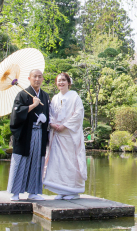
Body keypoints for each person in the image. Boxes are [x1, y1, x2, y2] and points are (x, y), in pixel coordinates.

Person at [42, 72, 87, 200]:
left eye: (63, 80)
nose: (61, 82)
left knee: (71, 161)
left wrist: (65, 125)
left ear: (69, 82)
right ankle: (61, 189)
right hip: (56, 134)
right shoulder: (55, 98)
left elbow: (78, 114)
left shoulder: (75, 96)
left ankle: (73, 190)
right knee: (58, 162)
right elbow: (50, 113)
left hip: (69, 134)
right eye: (59, 80)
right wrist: (52, 123)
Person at [7, 69, 50, 201]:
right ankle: (15, 192)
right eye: (35, 77)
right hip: (26, 133)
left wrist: (45, 119)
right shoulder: (22, 95)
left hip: (40, 133)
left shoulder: (45, 96)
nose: (37, 79)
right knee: (21, 160)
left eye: (40, 77)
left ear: (43, 79)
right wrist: (32, 106)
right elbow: (16, 114)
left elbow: (49, 114)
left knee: (37, 161)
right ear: (29, 78)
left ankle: (33, 192)